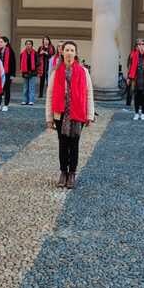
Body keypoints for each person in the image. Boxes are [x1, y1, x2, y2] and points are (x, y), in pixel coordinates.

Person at [46, 40, 95, 189]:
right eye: (66, 50)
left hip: (78, 113)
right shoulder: (56, 71)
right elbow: (50, 94)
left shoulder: (83, 71)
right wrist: (49, 118)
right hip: (60, 113)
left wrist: (90, 115)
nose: (69, 53)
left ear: (76, 53)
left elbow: (88, 93)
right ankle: (63, 172)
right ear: (62, 52)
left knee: (74, 145)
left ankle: (72, 173)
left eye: (72, 50)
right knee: (62, 144)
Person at [126, 39, 144, 121]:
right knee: (136, 97)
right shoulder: (133, 55)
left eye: (143, 44)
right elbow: (130, 67)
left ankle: (143, 113)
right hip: (136, 79)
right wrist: (128, 77)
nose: (141, 46)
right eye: (139, 44)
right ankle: (136, 113)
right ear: (137, 46)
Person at [19, 39, 41, 106]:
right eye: (27, 44)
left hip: (33, 73)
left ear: (32, 45)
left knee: (31, 87)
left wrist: (33, 68)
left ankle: (31, 100)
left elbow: (38, 63)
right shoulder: (22, 53)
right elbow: (21, 63)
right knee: (25, 88)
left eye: (30, 44)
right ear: (25, 45)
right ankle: (25, 100)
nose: (28, 45)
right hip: (25, 72)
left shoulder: (35, 53)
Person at [0, 36, 16, 112]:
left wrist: (12, 74)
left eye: (1, 42)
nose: (0, 43)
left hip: (8, 73)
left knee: (6, 90)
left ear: (6, 43)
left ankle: (6, 105)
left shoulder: (10, 51)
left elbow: (13, 63)